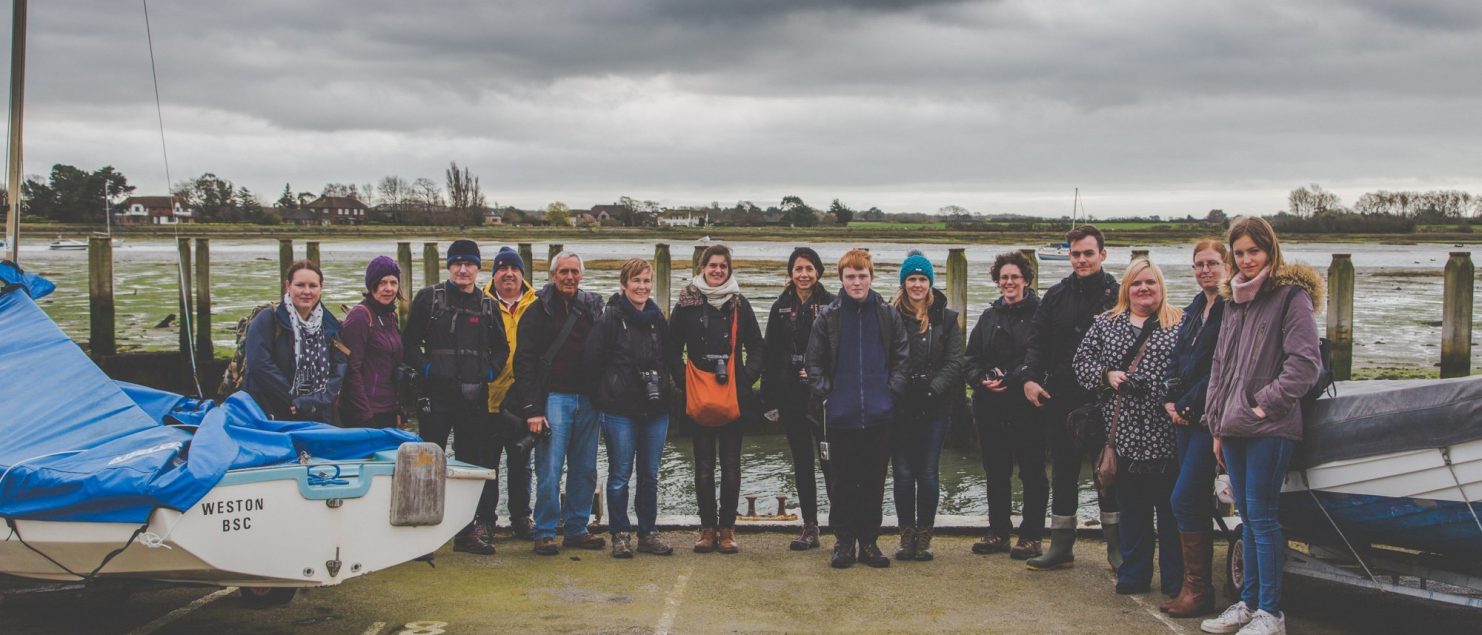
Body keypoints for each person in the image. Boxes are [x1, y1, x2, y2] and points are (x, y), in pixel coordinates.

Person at [1201, 217, 1322, 635]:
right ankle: (1248, 604)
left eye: (1254, 251)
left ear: (1270, 250)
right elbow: (1221, 367)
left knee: (1264, 518)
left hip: (1270, 428)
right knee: (1248, 519)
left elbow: (1305, 365)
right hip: (1231, 428)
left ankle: (1272, 613)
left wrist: (1261, 407)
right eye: (1239, 253)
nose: (1247, 260)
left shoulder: (1291, 297)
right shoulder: (1233, 301)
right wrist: (1215, 424)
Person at [1073, 258, 1183, 596]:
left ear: (1161, 286)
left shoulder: (1180, 323)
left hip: (1167, 433)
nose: (1144, 288)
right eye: (1136, 283)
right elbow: (1081, 363)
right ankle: (1134, 574)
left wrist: (1169, 390)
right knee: (1133, 512)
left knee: (1170, 513)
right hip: (1122, 436)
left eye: (1150, 282)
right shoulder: (1106, 323)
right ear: (1126, 288)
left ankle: (1175, 579)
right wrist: (1106, 375)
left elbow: (1195, 368)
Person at [1018, 225, 1122, 572]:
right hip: (1061, 399)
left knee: (1108, 474)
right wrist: (1030, 378)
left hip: (1106, 400)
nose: (1081, 260)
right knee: (1062, 473)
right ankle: (1061, 546)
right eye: (1075, 253)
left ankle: (1117, 548)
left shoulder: (1118, 295)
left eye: (1088, 253)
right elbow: (1036, 341)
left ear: (1102, 255)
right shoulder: (1056, 295)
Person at [403, 240, 510, 554]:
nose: (463, 270)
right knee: (428, 465)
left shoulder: (488, 305)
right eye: (457, 264)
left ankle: (466, 534)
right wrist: (426, 370)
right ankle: (422, 538)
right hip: (435, 398)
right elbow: (408, 344)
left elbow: (502, 349)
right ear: (448, 266)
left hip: (473, 397)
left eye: (469, 264)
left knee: (469, 466)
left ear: (478, 268)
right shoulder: (429, 299)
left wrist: (488, 373)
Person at [806, 248, 909, 569]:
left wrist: (890, 394)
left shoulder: (886, 313)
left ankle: (869, 542)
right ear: (841, 279)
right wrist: (828, 396)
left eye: (862, 276)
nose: (856, 282)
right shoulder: (829, 317)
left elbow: (901, 358)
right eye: (850, 276)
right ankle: (844, 541)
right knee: (842, 482)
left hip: (879, 416)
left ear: (871, 277)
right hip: (841, 417)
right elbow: (814, 362)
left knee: (874, 481)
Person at [669, 244, 764, 554]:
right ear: (702, 267)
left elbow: (757, 347)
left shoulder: (740, 304)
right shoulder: (686, 303)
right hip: (698, 395)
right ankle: (707, 528)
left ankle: (727, 529)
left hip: (732, 396)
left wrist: (745, 380)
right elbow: (671, 348)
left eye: (723, 266)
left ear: (729, 269)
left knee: (731, 466)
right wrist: (686, 382)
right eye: (712, 265)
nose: (718, 270)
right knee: (704, 466)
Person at [511, 250, 608, 556]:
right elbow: (523, 361)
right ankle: (544, 530)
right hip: (553, 398)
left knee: (585, 468)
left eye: (574, 272)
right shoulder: (538, 309)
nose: (569, 277)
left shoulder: (592, 307)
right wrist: (533, 409)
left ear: (581, 275)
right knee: (550, 469)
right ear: (553, 275)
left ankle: (577, 528)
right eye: (563, 272)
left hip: (588, 400)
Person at [586, 259, 677, 558]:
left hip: (655, 409)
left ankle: (648, 533)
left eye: (647, 281)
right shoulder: (610, 317)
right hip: (619, 410)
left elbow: (669, 358)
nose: (642, 287)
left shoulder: (657, 318)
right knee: (620, 474)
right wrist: (608, 394)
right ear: (623, 284)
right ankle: (620, 534)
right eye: (636, 281)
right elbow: (593, 361)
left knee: (650, 475)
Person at [1159, 239, 1230, 618]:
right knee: (1195, 500)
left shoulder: (1231, 311)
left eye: (1212, 263)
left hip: (1210, 420)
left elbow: (1220, 367)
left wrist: (1188, 403)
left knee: (1183, 498)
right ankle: (1197, 590)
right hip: (1183, 419)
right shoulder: (1193, 310)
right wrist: (1170, 399)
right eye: (1199, 264)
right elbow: (1178, 360)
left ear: (1226, 266)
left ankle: (1198, 588)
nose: (1205, 270)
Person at [965, 251, 1046, 560]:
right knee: (996, 471)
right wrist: (979, 379)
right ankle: (998, 532)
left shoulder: (1041, 315)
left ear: (1026, 279)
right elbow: (970, 357)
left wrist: (1012, 378)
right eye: (1003, 277)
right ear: (997, 282)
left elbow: (1041, 357)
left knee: (1032, 473)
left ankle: (1031, 536)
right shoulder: (988, 317)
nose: (1009, 282)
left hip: (1028, 406)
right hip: (990, 407)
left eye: (1014, 276)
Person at [889, 250, 963, 561]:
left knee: (928, 473)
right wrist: (898, 388)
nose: (917, 285)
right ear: (903, 283)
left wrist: (933, 388)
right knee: (903, 473)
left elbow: (955, 360)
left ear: (930, 283)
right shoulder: (890, 316)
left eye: (922, 279)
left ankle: (925, 536)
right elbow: (885, 357)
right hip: (900, 406)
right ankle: (906, 535)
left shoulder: (946, 318)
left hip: (934, 407)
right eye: (911, 279)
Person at [761, 247, 835, 551]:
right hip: (791, 395)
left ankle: (842, 523)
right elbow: (769, 354)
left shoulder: (832, 304)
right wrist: (769, 399)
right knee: (802, 463)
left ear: (818, 271)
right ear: (790, 274)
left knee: (831, 462)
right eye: (798, 269)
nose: (803, 274)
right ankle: (810, 526)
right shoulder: (781, 306)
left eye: (809, 268)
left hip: (824, 397)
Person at [242, 259, 346, 423]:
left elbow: (338, 368)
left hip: (317, 411)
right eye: (300, 285)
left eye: (312, 286)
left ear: (321, 288)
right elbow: (259, 365)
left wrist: (312, 401)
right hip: (271, 412)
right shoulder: (268, 319)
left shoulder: (329, 324)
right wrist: (294, 398)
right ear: (288, 286)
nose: (306, 291)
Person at [482, 247, 537, 539]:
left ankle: (521, 517)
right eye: (502, 269)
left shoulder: (536, 303)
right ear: (494, 275)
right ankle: (486, 520)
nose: (508, 274)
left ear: (522, 274)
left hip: (523, 401)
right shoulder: (480, 302)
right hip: (488, 399)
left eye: (514, 269)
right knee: (487, 465)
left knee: (521, 464)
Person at [339, 256, 404, 428]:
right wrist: (365, 416)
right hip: (366, 411)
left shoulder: (391, 316)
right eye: (382, 282)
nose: (388, 289)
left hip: (388, 407)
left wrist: (398, 408)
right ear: (371, 284)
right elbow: (351, 370)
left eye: (393, 282)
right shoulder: (360, 316)